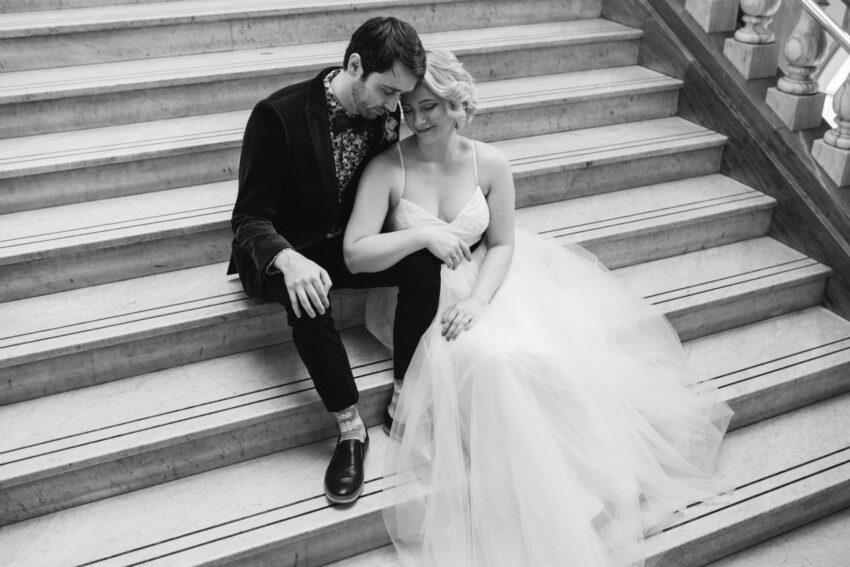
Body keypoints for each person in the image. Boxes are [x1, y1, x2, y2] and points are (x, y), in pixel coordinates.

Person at [343, 49, 733, 566]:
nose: (417, 120)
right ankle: (533, 510)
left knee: (535, 356)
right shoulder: (387, 167)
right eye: (408, 108)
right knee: (491, 362)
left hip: (487, 283)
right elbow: (355, 251)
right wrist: (421, 235)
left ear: (457, 104)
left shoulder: (491, 163)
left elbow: (503, 244)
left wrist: (482, 298)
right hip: (418, 294)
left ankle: (576, 489)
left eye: (430, 107)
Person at [228, 17, 443, 506]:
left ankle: (403, 395)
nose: (396, 109)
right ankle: (350, 431)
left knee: (423, 262)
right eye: (388, 92)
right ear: (354, 65)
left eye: (400, 98)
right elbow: (247, 217)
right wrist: (286, 258)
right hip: (286, 250)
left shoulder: (385, 114)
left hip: (349, 243)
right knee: (308, 293)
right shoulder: (277, 115)